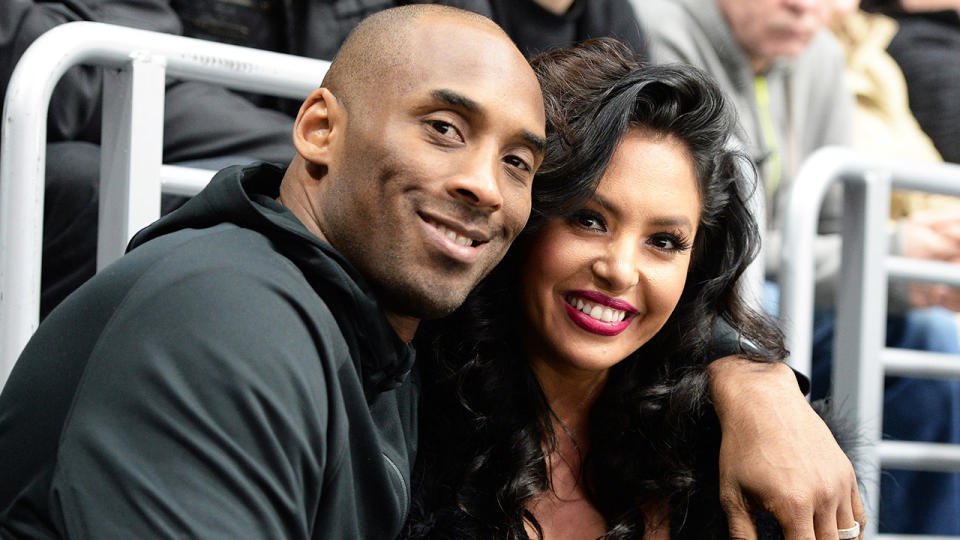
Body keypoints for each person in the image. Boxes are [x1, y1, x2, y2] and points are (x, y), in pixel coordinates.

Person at [1, 6, 859, 538]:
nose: (481, 184)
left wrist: (758, 380)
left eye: (518, 163)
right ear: (319, 129)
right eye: (444, 128)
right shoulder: (236, 315)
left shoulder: (372, 340)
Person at [403, 38, 863, 540]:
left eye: (664, 241)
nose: (621, 270)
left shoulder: (733, 452)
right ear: (527, 212)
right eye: (589, 220)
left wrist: (761, 382)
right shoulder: (400, 400)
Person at [631, 0, 960, 533]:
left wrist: (896, 258)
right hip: (708, 288)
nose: (806, 5)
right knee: (772, 313)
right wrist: (889, 249)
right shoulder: (660, 28)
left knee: (931, 337)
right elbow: (703, 241)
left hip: (801, 286)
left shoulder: (821, 54)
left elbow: (830, 228)